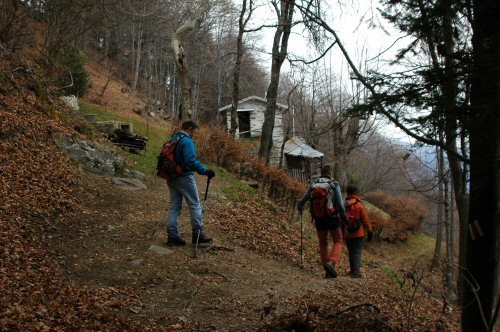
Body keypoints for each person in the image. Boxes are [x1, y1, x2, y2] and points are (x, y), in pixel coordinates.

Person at [166, 120, 215, 247]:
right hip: (184, 177)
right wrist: (205, 171)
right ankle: (198, 235)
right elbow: (190, 161)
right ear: (189, 129)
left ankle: (172, 236)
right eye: (195, 131)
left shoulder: (175, 138)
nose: (195, 134)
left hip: (172, 177)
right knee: (195, 205)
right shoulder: (187, 141)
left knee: (174, 207)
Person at [297, 165, 347, 278]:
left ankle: (327, 270)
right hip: (332, 217)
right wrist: (344, 217)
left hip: (318, 218)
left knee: (323, 243)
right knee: (338, 240)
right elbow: (340, 204)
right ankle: (331, 262)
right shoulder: (334, 184)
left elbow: (304, 199)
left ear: (321, 173)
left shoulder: (314, 183)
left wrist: (300, 206)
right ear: (331, 173)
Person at [344, 184, 372, 278]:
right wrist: (370, 231)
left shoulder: (343, 203)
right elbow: (365, 220)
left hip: (347, 232)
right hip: (358, 233)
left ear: (347, 192)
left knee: (351, 252)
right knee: (357, 252)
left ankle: (353, 271)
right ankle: (356, 273)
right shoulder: (359, 204)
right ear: (356, 192)